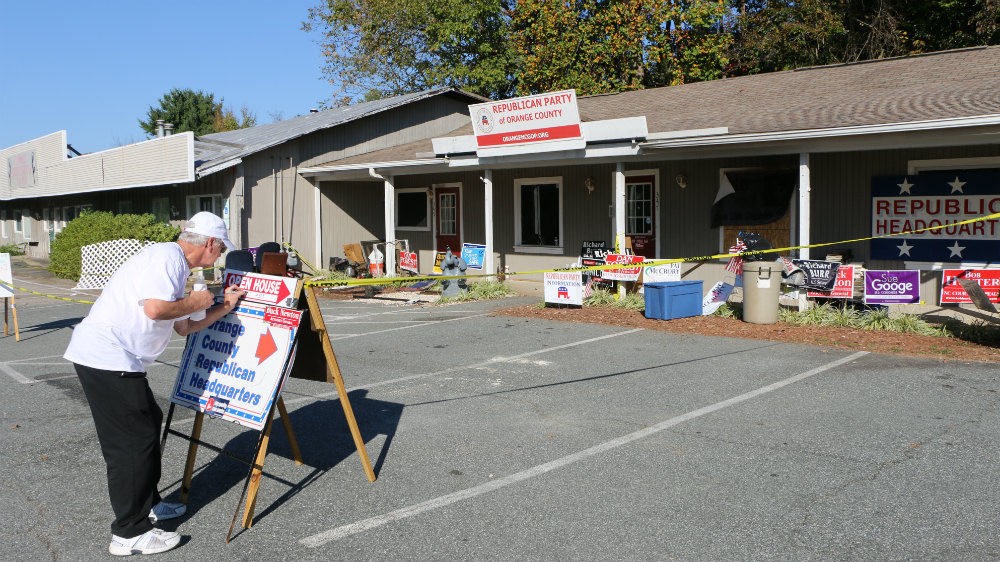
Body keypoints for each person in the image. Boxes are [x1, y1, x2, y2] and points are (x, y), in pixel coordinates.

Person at [64, 212, 245, 556]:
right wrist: (200, 300)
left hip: (116, 359)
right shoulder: (166, 257)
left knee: (149, 423)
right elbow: (156, 309)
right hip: (108, 357)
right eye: (220, 247)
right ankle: (129, 532)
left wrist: (224, 305)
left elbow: (184, 326)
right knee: (131, 444)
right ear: (209, 242)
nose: (220, 254)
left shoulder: (176, 265)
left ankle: (149, 504)